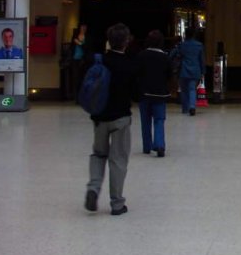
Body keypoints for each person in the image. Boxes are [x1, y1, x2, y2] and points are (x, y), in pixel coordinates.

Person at [85, 23, 138, 217]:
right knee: (118, 160)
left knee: (98, 154)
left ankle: (93, 187)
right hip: (121, 118)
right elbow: (137, 94)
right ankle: (117, 203)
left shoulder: (99, 61)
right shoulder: (130, 64)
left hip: (99, 117)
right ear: (126, 41)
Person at [135, 30, 171, 157]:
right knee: (159, 119)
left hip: (144, 93)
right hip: (160, 94)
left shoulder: (141, 55)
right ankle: (159, 144)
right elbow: (169, 75)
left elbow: (136, 74)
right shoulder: (165, 57)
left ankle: (147, 146)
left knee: (145, 120)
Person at [171, 27, 205, 116]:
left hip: (183, 70)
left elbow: (173, 55)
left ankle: (185, 108)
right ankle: (192, 106)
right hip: (195, 70)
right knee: (192, 89)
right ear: (194, 34)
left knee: (184, 90)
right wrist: (203, 71)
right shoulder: (199, 45)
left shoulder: (182, 45)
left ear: (185, 34)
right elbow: (201, 60)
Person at [68, 24, 89, 101]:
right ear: (79, 28)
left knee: (83, 77)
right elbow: (71, 47)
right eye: (82, 27)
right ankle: (76, 97)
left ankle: (84, 96)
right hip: (75, 59)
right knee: (75, 78)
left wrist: (80, 43)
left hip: (83, 59)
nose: (83, 29)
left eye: (85, 28)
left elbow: (87, 48)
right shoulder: (75, 37)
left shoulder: (87, 37)